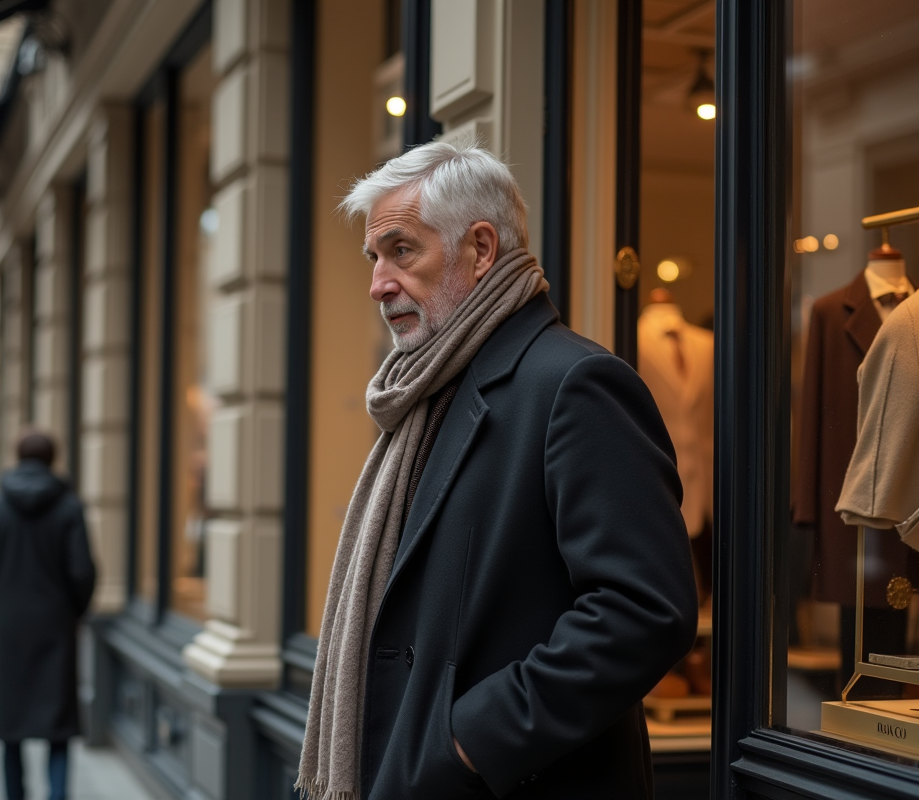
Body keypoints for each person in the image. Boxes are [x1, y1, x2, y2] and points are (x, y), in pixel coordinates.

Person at [296, 141, 698, 800]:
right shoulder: (426, 393)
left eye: (402, 251)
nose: (377, 284)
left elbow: (644, 611)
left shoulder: (574, 383)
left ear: (482, 250)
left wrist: (469, 742)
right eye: (374, 258)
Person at [0, 431, 96, 800]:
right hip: (55, 625)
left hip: (8, 625)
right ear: (54, 459)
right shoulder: (69, 507)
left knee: (11, 725)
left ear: (17, 456)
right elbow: (82, 570)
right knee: (59, 727)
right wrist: (73, 609)